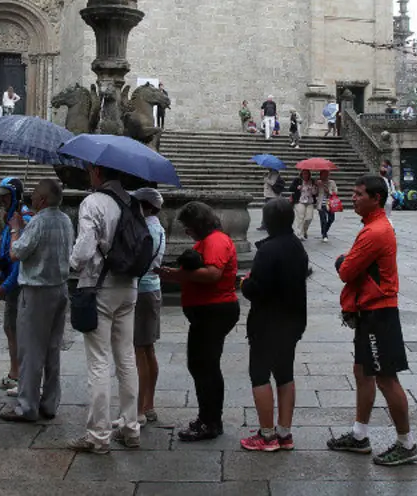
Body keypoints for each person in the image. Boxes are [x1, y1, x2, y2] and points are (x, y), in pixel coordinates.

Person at [326, 175, 417, 466]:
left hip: (379, 314)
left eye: (358, 194)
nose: (353, 198)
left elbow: (346, 270)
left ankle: (407, 443)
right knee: (362, 372)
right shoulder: (373, 226)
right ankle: (359, 435)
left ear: (376, 198)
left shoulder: (375, 231)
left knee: (386, 379)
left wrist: (344, 261)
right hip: (370, 312)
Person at [67, 165, 142, 453]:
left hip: (100, 286)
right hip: (129, 286)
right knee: (126, 359)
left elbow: (84, 250)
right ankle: (131, 428)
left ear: (98, 172)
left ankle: (98, 436)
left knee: (98, 362)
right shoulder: (131, 201)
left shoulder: (93, 202)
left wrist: (72, 263)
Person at [158, 201, 241, 442]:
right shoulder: (208, 241)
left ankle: (211, 421)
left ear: (199, 223)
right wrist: (173, 275)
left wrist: (179, 275)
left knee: (205, 366)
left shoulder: (216, 241)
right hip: (207, 311)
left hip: (214, 310)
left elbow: (213, 274)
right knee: (201, 365)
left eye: (188, 226)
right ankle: (208, 417)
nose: (186, 231)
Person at [0, 179, 74, 422]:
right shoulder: (65, 220)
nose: (30, 197)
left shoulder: (39, 222)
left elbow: (16, 252)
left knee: (30, 350)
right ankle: (50, 402)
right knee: (52, 349)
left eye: (34, 194)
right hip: (60, 288)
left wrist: (15, 228)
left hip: (36, 291)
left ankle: (27, 405)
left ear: (42, 200)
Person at [240, 198, 309, 452]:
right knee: (285, 374)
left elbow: (257, 290)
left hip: (267, 323)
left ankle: (267, 436)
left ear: (268, 222)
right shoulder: (296, 246)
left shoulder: (268, 250)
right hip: (292, 321)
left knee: (259, 375)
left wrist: (244, 283)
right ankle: (284, 432)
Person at [130, 188, 166, 426]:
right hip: (153, 288)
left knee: (139, 350)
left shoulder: (145, 230)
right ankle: (149, 404)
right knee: (148, 348)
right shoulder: (159, 228)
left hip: (141, 290)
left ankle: (140, 408)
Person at [0, 178, 30, 396]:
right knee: (10, 327)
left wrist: (6, 284)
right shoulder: (10, 216)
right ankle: (14, 372)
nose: (1, 199)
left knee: (17, 329)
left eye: (5, 195)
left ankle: (21, 375)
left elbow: (19, 258)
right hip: (10, 279)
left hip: (17, 283)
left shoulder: (22, 218)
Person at [294, 170, 319, 239]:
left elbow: (315, 193)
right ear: (301, 174)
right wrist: (297, 188)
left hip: (309, 202)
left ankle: (304, 230)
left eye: (307, 174)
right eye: (304, 174)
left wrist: (314, 187)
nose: (306, 175)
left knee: (309, 218)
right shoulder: (298, 180)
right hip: (300, 201)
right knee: (300, 218)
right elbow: (291, 188)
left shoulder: (313, 181)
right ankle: (299, 234)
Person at [316, 170, 338, 242]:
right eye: (323, 174)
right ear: (320, 175)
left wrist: (328, 191)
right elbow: (315, 193)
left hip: (330, 204)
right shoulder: (318, 183)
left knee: (331, 219)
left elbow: (335, 192)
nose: (325, 176)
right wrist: (316, 186)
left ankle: (324, 231)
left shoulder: (332, 182)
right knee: (323, 220)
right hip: (321, 204)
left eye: (326, 174)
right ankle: (324, 235)